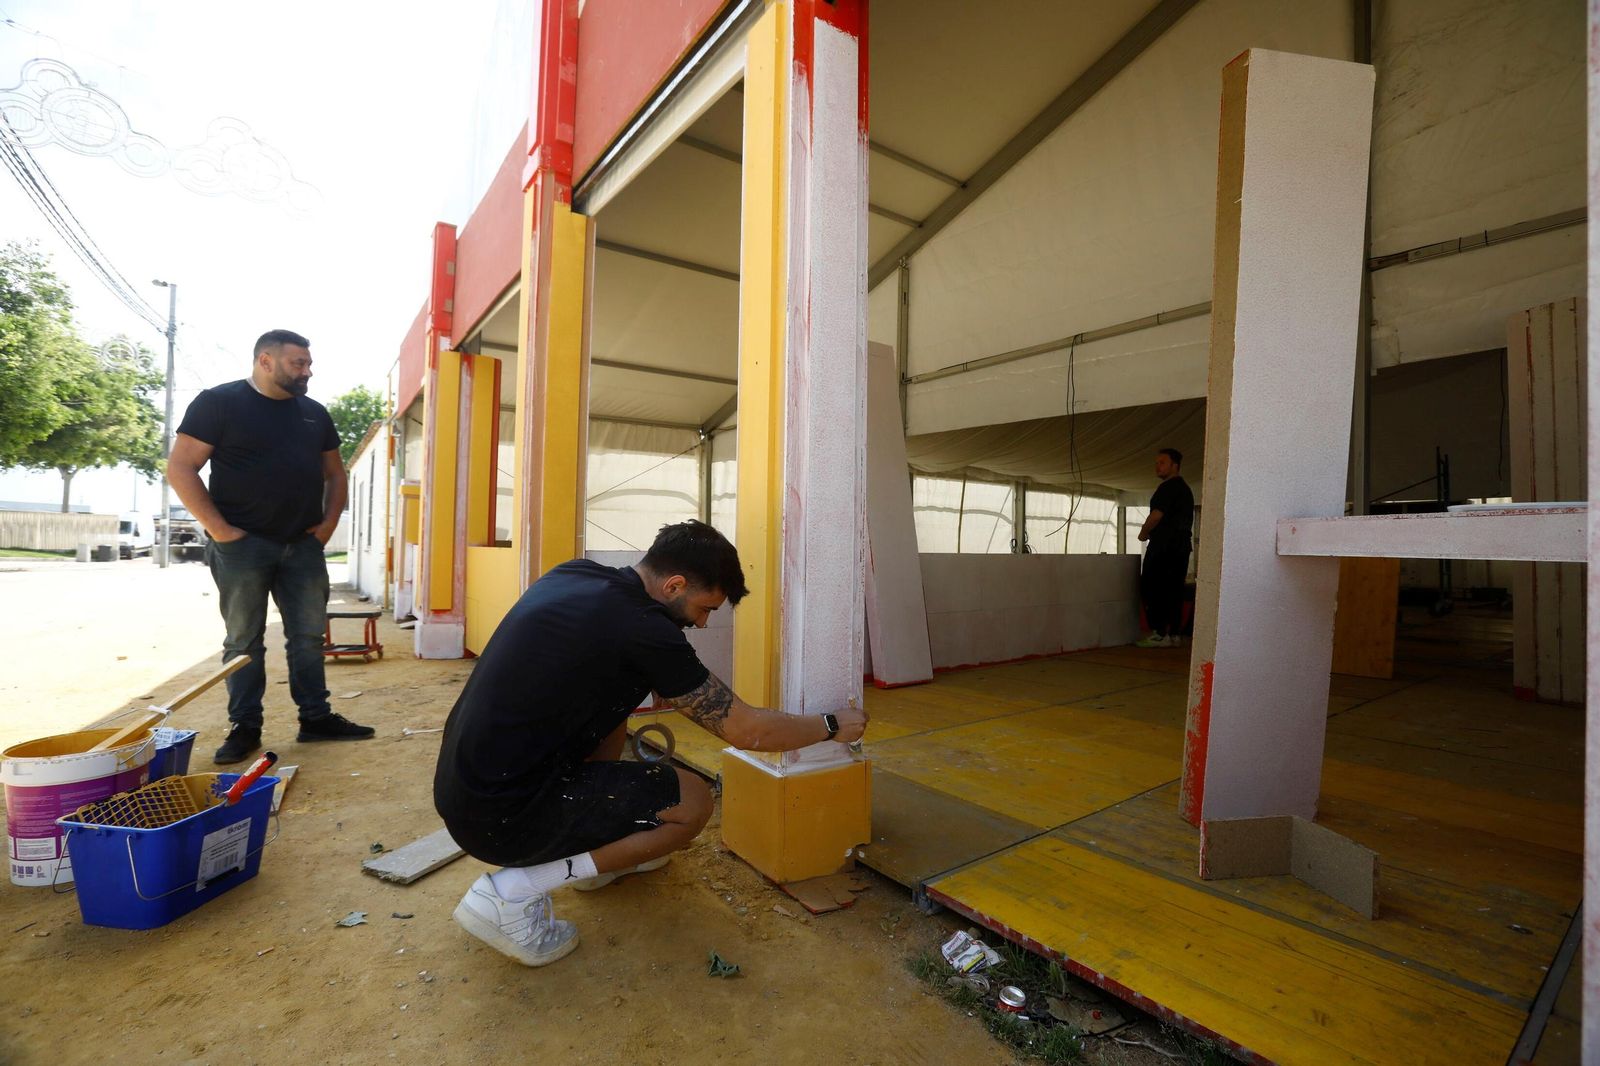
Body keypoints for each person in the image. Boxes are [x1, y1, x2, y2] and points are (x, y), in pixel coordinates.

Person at [434, 520, 869, 968]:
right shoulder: (643, 630)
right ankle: (511, 892)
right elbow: (746, 730)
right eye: (704, 608)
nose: (701, 622)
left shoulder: (579, 574)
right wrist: (831, 724)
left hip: (466, 791)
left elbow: (601, 690)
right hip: (501, 819)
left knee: (616, 710)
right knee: (693, 803)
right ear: (674, 585)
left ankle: (598, 853)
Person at [167, 329, 376, 764]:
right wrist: (220, 530)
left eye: (308, 364)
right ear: (266, 361)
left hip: (302, 547)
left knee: (307, 638)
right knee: (243, 642)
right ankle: (245, 727)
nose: (307, 371)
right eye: (298, 363)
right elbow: (182, 467)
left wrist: (325, 528)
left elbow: (335, 475)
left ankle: (315, 719)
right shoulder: (219, 403)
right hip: (242, 547)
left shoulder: (314, 414)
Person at [1135, 447, 1194, 649]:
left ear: (1174, 466)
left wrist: (1143, 533)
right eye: (1156, 462)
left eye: (1162, 462)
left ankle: (1160, 633)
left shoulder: (1168, 488)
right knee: (1174, 589)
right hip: (1181, 548)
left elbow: (1157, 515)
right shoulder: (1185, 490)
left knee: (1151, 587)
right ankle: (1174, 634)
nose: (1157, 466)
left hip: (1164, 547)